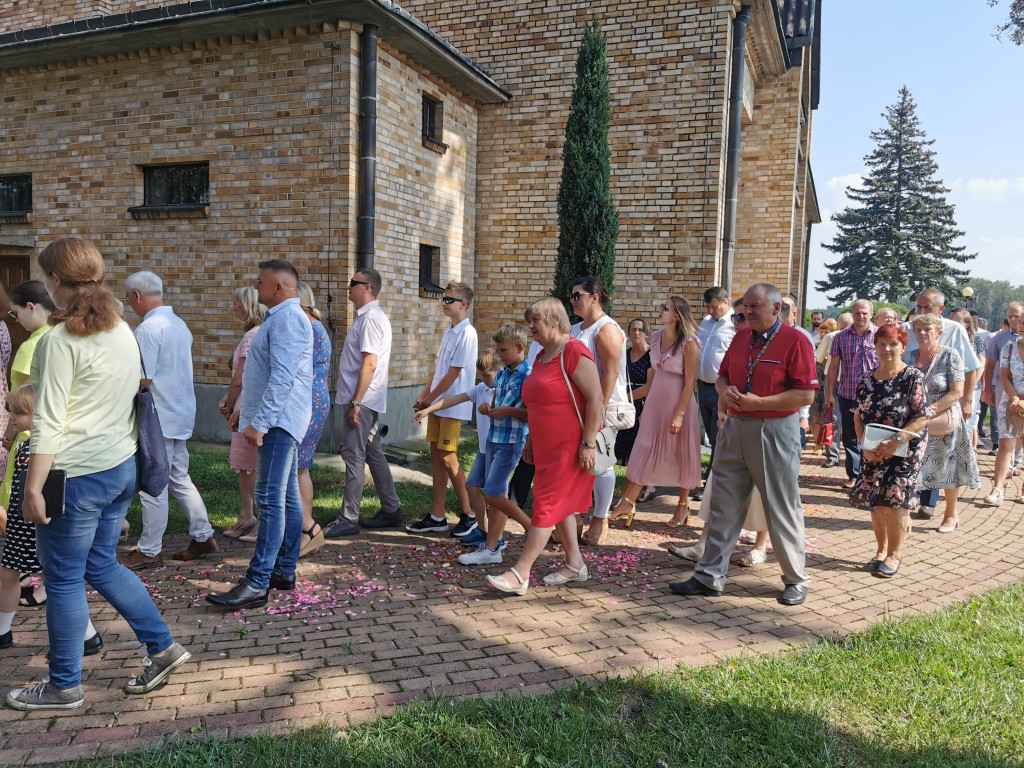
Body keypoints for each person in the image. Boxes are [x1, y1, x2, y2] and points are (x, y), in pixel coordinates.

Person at [7, 238, 190, 711]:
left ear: (53, 281)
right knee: (101, 564)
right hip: (119, 468)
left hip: (74, 476)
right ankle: (163, 648)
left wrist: (32, 487)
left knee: (63, 578)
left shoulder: (59, 340)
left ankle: (63, 685)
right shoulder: (121, 329)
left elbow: (49, 420)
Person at [670, 283, 817, 607]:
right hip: (736, 426)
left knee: (780, 506)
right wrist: (725, 392)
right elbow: (722, 377)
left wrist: (759, 401)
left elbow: (806, 394)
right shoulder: (740, 338)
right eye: (744, 308)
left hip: (775, 429)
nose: (746, 312)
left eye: (755, 307)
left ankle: (795, 578)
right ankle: (709, 576)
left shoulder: (796, 341)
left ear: (776, 309)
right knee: (723, 503)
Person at [206, 260, 312, 610]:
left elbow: (282, 378)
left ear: (278, 288)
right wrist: (245, 412)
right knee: (288, 498)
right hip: (277, 419)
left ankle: (257, 581)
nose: (256, 288)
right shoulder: (279, 317)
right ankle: (282, 571)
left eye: (260, 282)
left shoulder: (288, 319)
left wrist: (259, 423)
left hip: (279, 423)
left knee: (269, 498)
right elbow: (264, 375)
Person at [484, 299, 602, 595]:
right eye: (530, 321)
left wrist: (587, 443)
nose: (531, 327)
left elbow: (596, 400)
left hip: (570, 446)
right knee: (556, 504)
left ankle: (520, 573)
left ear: (554, 320)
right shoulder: (541, 356)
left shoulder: (574, 351)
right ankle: (575, 564)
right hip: (546, 446)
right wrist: (533, 441)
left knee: (546, 504)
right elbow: (538, 404)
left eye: (535, 320)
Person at [122, 271, 217, 569]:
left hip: (157, 417)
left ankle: (150, 550)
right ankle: (203, 535)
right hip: (179, 412)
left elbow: (142, 379)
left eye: (129, 298)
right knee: (178, 478)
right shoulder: (179, 325)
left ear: (137, 295)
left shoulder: (148, 329)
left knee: (154, 485)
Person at [430, 325, 532, 566]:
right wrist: (490, 408)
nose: (499, 354)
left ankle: (531, 527)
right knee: (485, 489)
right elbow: (498, 401)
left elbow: (532, 413)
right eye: (497, 349)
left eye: (503, 350)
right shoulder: (506, 373)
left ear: (519, 348)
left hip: (510, 442)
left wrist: (505, 411)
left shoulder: (528, 376)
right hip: (493, 440)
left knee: (493, 493)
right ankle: (492, 544)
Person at [608, 297, 702, 528]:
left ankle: (682, 507)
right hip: (655, 403)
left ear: (677, 315)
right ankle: (628, 501)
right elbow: (652, 373)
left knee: (681, 454)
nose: (660, 310)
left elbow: (690, 382)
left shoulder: (690, 342)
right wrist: (646, 403)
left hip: (678, 404)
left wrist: (679, 414)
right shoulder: (658, 337)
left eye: (665, 308)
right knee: (643, 448)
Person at [323, 269, 403, 537]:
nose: (348, 287)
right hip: (366, 398)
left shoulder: (370, 319)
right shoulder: (370, 317)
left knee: (353, 455)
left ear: (366, 287)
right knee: (372, 453)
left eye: (352, 284)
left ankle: (348, 518)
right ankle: (391, 509)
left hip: (362, 400)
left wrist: (356, 401)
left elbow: (370, 362)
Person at [850, 325, 932, 578]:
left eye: (893, 344)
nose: (887, 348)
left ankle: (895, 554)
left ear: (903, 347)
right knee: (878, 501)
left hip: (906, 447)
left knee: (895, 501)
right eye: (882, 343)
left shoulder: (912, 377)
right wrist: (866, 447)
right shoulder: (866, 379)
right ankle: (880, 550)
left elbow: (922, 417)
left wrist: (895, 442)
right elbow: (858, 416)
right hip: (874, 448)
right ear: (875, 346)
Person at [408, 282, 478, 536]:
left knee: (448, 456)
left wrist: (430, 401)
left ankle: (470, 514)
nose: (444, 303)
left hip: (452, 405)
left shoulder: (467, 334)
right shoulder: (449, 331)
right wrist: (423, 395)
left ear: (463, 304)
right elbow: (438, 371)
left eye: (449, 299)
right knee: (437, 455)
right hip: (437, 403)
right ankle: (438, 516)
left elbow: (453, 375)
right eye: (443, 298)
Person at [569, 276, 631, 546]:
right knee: (576, 463)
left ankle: (600, 517)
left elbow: (611, 374)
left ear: (594, 297)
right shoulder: (575, 328)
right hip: (576, 405)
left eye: (577, 295)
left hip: (601, 406)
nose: (572, 301)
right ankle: (575, 517)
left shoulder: (607, 329)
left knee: (602, 464)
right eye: (570, 296)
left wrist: (599, 411)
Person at [904, 314, 980, 529]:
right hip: (915, 423)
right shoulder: (909, 356)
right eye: (918, 329)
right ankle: (905, 513)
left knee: (948, 469)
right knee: (911, 468)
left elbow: (957, 392)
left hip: (943, 419)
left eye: (927, 329)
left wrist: (928, 411)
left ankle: (951, 514)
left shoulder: (950, 355)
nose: (922, 333)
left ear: (939, 333)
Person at [432, 349, 502, 547]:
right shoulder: (480, 389)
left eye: (487, 375)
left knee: (496, 496)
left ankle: (504, 536)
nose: (483, 379)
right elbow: (455, 399)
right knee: (472, 486)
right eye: (481, 375)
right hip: (483, 449)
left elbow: (510, 412)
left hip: (499, 449)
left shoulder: (502, 389)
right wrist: (429, 408)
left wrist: (493, 410)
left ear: (499, 370)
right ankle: (483, 529)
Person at [219, 287, 265, 541]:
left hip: (246, 406)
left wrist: (230, 402)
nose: (234, 309)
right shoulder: (260, 333)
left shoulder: (251, 336)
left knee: (250, 466)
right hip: (246, 405)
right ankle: (246, 515)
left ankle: (252, 515)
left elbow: (241, 378)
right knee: (245, 467)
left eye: (237, 304)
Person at [904, 289, 982, 425]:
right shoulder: (905, 329)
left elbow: (969, 368)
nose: (921, 312)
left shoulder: (955, 330)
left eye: (927, 307)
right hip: (909, 406)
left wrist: (968, 401)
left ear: (941, 308)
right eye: (919, 307)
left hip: (944, 407)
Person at [294, 282, 331, 558]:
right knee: (300, 465)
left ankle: (308, 527)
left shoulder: (308, 327)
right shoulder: (316, 325)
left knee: (298, 465)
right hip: (314, 398)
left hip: (308, 400)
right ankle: (305, 526)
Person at [824, 300, 877, 489]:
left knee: (872, 437)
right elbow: (833, 367)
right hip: (848, 395)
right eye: (857, 313)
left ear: (871, 314)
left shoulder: (879, 336)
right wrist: (830, 394)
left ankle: (870, 476)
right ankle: (854, 475)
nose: (861, 316)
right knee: (850, 437)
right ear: (852, 314)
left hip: (875, 397)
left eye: (864, 313)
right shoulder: (841, 337)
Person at [695, 287, 735, 500]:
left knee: (719, 437)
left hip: (720, 389)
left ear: (725, 302)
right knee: (712, 438)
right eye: (708, 306)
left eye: (714, 306)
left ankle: (712, 486)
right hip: (703, 386)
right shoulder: (706, 322)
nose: (711, 310)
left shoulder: (733, 325)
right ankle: (711, 482)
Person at [983, 316, 1024, 506]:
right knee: (1005, 444)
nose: (1021, 325)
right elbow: (1004, 376)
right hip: (1010, 401)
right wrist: (1015, 398)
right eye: (1021, 321)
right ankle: (997, 489)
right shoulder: (1009, 347)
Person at [981, 303, 1022, 458]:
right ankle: (1008, 463)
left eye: (1016, 316)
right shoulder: (1000, 338)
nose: (1012, 319)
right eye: (1009, 316)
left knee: (1021, 423)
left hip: (1022, 385)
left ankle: (1016, 462)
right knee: (1004, 422)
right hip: (1003, 385)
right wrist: (987, 390)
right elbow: (990, 366)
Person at [614, 319, 653, 477]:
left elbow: (650, 387)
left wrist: (626, 397)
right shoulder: (624, 354)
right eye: (633, 330)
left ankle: (644, 483)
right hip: (624, 407)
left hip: (643, 406)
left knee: (641, 447)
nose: (636, 333)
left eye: (640, 330)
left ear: (647, 334)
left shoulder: (652, 356)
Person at [950, 308, 985, 450]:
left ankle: (968, 451)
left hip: (972, 387)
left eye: (957, 322)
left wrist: (971, 384)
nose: (953, 325)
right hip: (952, 387)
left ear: (967, 324)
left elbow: (981, 365)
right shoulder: (948, 339)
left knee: (968, 421)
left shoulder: (976, 341)